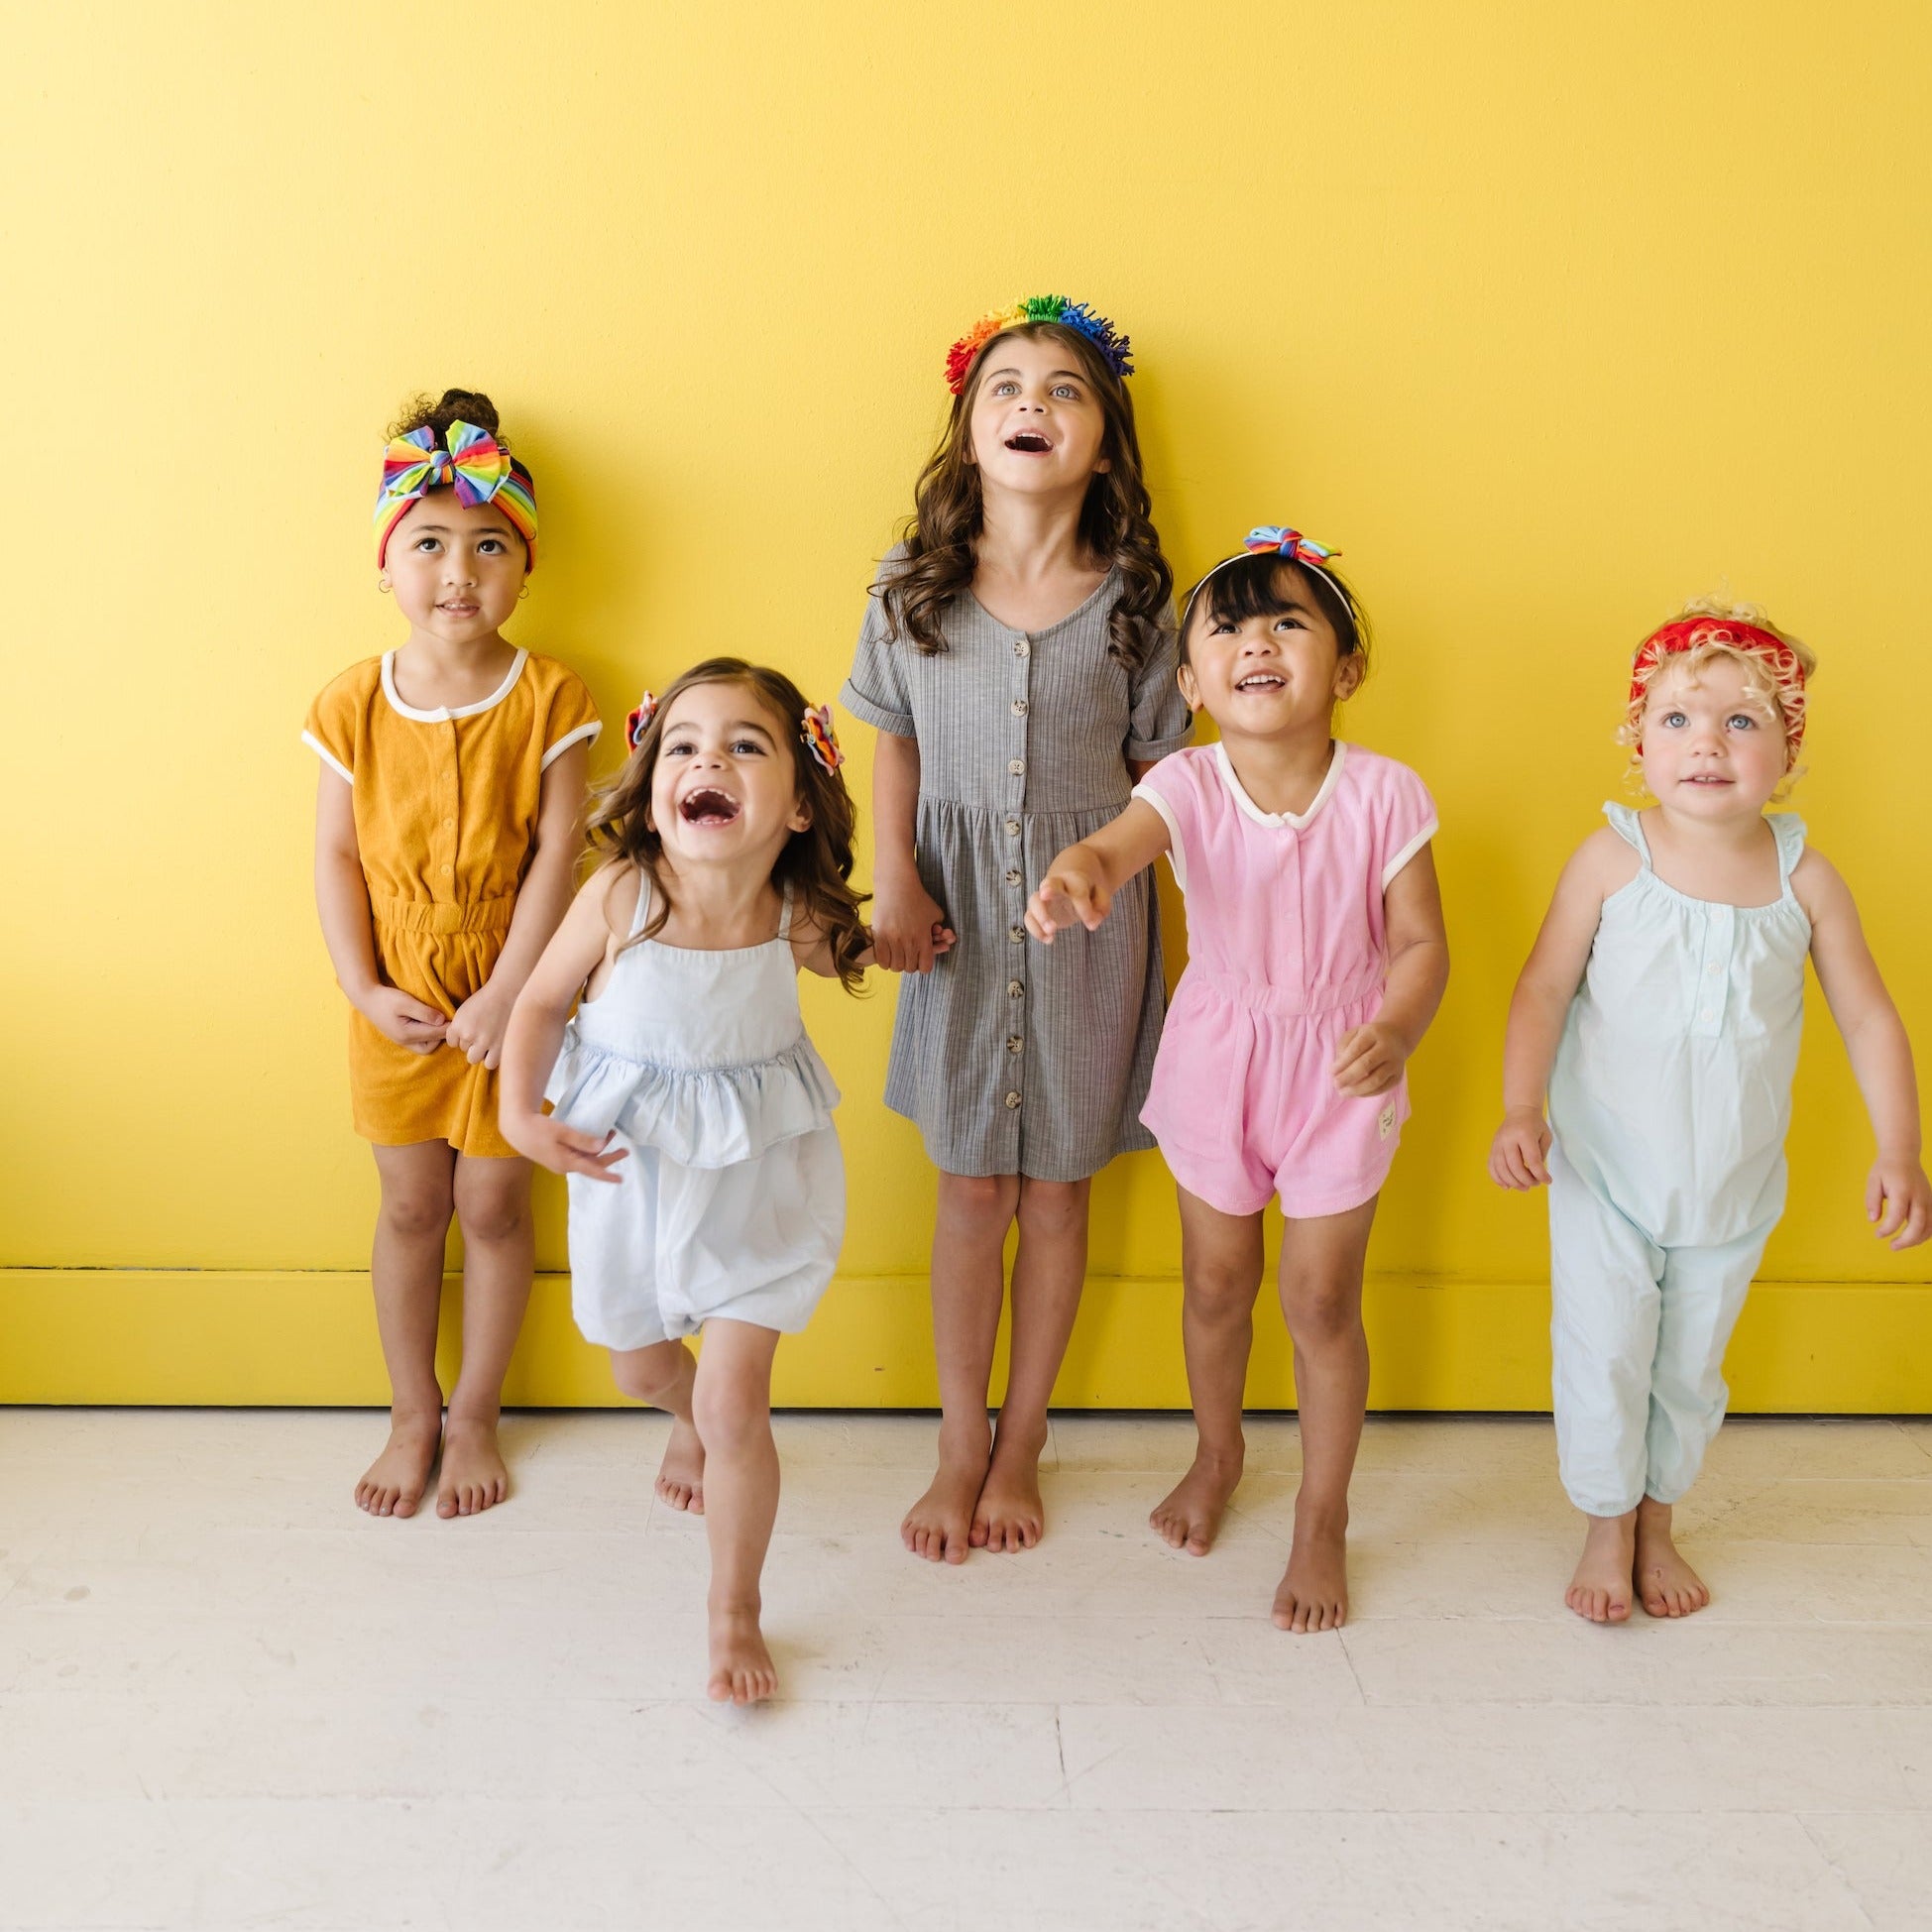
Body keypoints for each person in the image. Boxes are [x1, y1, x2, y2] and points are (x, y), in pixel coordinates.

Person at [1028, 526, 1448, 1630]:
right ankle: (1217, 1454)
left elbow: (1419, 946)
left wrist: (1397, 1027)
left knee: (1317, 1297)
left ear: (1344, 668)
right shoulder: (1186, 780)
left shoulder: (1386, 794)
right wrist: (1079, 870)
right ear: (1191, 683)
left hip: (1340, 1065)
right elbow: (1119, 844)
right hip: (1218, 1055)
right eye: (1227, 628)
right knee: (1214, 1283)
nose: (1253, 642)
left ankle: (1323, 1511)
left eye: (1285, 622)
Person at [1489, 601, 1931, 1623]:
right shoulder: (1609, 860)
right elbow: (1541, 987)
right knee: (1604, 1347)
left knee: (1687, 1366)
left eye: (1742, 722)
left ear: (1785, 752)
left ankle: (1656, 1513)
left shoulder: (1803, 877)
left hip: (1729, 1183)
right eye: (1680, 719)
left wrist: (1898, 1146)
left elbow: (1865, 1014)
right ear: (1637, 743)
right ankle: (1603, 1519)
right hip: (1602, 1167)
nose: (1708, 744)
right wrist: (1520, 1104)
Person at [841, 295, 1192, 1563]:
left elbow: (1168, 779)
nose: (1031, 404)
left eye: (1063, 389)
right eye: (1004, 385)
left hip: (1089, 923)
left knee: (1055, 1189)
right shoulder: (910, 587)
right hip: (949, 913)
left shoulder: (1142, 602)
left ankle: (1023, 1432)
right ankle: (955, 1435)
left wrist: (1116, 877)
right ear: (966, 427)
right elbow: (890, 739)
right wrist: (892, 876)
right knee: (969, 1183)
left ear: (1102, 440)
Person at [500, 659, 871, 1703]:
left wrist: (910, 936)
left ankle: (733, 1609)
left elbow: (864, 946)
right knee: (639, 1366)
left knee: (735, 1394)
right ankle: (681, 1417)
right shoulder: (621, 894)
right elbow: (536, 1005)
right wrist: (516, 1115)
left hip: (754, 1176)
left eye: (744, 745)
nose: (709, 758)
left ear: (797, 807)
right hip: (629, 1167)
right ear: (654, 792)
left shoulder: (789, 911)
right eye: (685, 743)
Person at [304, 389, 598, 1520]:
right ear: (388, 564)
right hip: (395, 992)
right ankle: (409, 1406)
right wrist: (361, 985)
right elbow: (334, 854)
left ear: (524, 563)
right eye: (427, 544)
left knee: (492, 1203)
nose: (457, 570)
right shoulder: (350, 703)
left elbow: (560, 854)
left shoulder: (553, 696)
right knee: (410, 1205)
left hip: (509, 986)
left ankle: (474, 1408)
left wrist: (510, 996)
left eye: (488, 545)